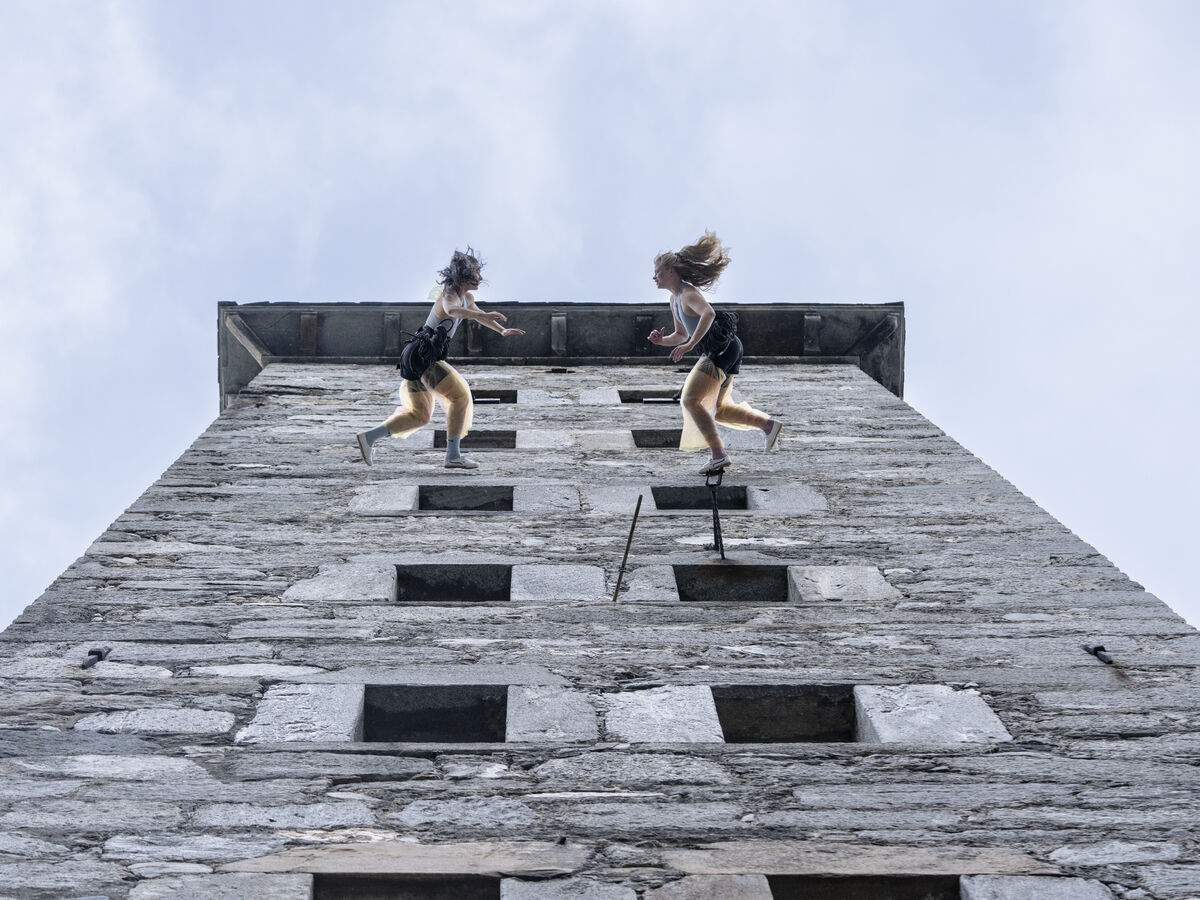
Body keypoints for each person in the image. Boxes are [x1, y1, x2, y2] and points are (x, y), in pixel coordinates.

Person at [355, 248, 524, 469]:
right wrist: (482, 315)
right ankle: (453, 456)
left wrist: (501, 330)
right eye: (476, 273)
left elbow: (479, 317)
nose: (480, 277)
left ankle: (368, 438)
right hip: (423, 355)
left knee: (420, 415)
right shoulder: (449, 294)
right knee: (460, 397)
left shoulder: (467, 298)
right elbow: (452, 311)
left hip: (417, 359)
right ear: (464, 274)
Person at [649, 232, 782, 474]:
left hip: (720, 349)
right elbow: (680, 334)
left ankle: (718, 456)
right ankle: (768, 426)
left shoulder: (688, 293)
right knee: (718, 409)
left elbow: (708, 313)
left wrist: (690, 345)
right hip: (727, 349)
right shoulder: (674, 300)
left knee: (690, 399)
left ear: (670, 271)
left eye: (657, 271)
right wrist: (662, 341)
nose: (654, 276)